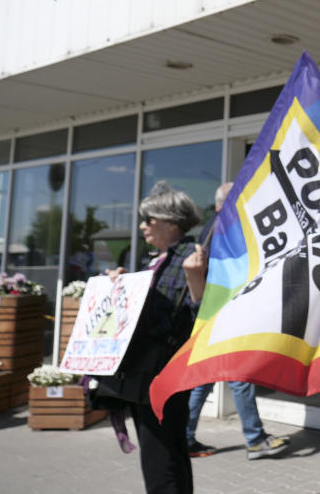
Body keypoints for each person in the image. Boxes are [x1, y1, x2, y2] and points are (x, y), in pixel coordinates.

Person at [99, 181, 206, 493]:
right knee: (166, 455)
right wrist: (118, 288)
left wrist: (196, 278)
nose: (143, 226)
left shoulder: (192, 256)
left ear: (172, 222)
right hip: (146, 371)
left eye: (149, 220)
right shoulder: (156, 259)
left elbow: (202, 318)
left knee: (161, 461)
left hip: (165, 372)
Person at [184, 182, 290, 460]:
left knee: (205, 379)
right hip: (224, 312)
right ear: (223, 204)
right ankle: (255, 440)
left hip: (213, 312)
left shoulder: (214, 226)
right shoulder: (223, 228)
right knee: (239, 375)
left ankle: (184, 437)